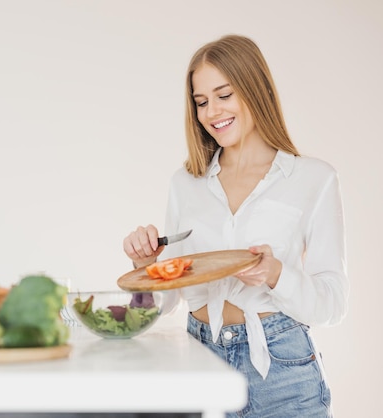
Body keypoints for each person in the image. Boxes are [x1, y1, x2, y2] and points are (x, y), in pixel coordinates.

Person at [122, 34, 348, 417]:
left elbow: (333, 303)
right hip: (197, 364)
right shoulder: (186, 182)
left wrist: (276, 274)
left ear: (254, 89)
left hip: (283, 373)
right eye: (201, 102)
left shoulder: (314, 179)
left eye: (224, 95)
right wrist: (145, 269)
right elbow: (166, 300)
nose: (212, 112)